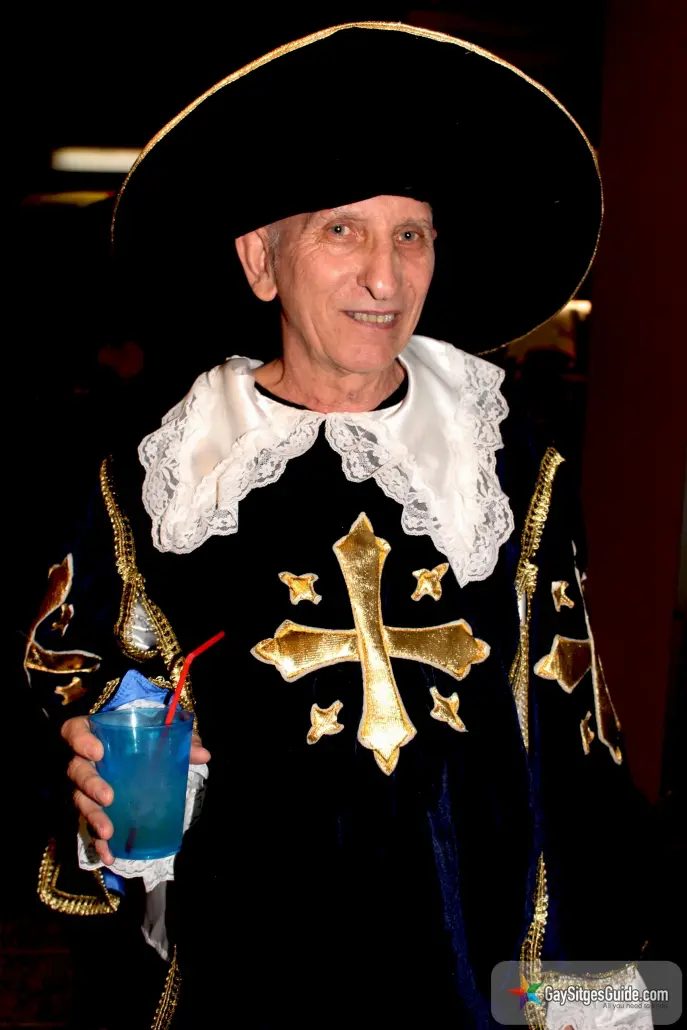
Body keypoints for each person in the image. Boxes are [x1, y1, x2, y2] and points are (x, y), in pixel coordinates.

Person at [25, 22, 653, 1030]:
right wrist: (100, 783)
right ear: (260, 261)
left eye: (411, 235)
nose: (384, 279)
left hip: (479, 965)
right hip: (250, 967)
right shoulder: (153, 477)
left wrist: (604, 1001)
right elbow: (81, 707)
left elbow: (574, 751)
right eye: (342, 232)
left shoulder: (509, 454)